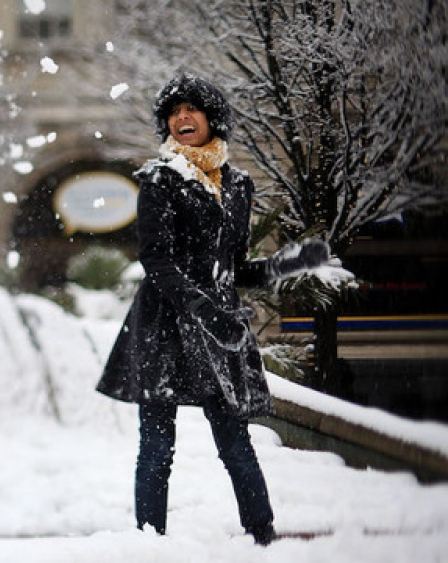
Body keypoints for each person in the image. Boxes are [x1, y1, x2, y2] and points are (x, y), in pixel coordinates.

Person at [95, 73, 330, 545]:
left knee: (235, 442)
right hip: (164, 325)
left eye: (192, 109)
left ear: (211, 118)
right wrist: (204, 309)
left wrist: (288, 263)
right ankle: (149, 542)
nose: (182, 117)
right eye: (174, 111)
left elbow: (235, 267)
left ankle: (262, 536)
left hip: (217, 331)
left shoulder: (239, 185)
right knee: (157, 445)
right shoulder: (160, 179)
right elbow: (156, 260)